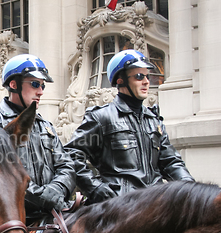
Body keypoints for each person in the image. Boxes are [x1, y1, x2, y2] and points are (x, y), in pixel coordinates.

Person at [65, 49, 194, 204]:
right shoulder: (101, 117)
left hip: (156, 203)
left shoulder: (153, 120)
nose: (146, 81)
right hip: (119, 207)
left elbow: (171, 162)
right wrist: (95, 187)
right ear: (120, 80)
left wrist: (192, 190)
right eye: (139, 76)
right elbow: (71, 154)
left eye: (147, 76)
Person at [0, 54, 76, 222]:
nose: (40, 91)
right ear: (13, 84)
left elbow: (66, 165)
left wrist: (56, 189)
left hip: (54, 213)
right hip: (12, 220)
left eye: (42, 86)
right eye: (34, 84)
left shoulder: (45, 125)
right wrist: (44, 197)